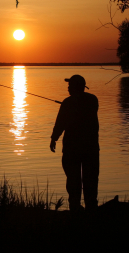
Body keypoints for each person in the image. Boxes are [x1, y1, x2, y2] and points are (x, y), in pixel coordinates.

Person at [50, 74, 99, 212]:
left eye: (70, 85)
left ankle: (76, 209)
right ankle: (89, 209)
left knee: (74, 180)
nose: (68, 88)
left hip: (73, 149)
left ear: (76, 87)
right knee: (89, 180)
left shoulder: (68, 103)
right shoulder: (92, 100)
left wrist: (54, 138)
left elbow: (60, 123)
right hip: (91, 149)